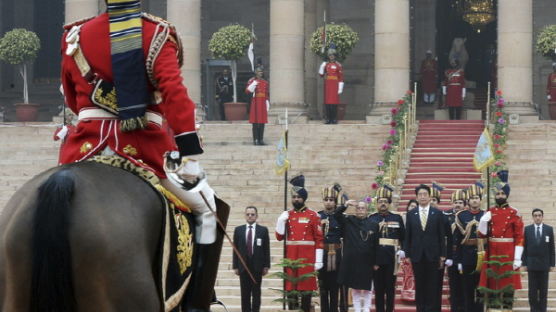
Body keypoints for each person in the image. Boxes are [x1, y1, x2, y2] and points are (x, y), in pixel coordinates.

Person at [59, 0, 218, 244]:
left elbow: (72, 100)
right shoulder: (157, 33)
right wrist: (187, 145)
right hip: (143, 148)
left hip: (83, 148)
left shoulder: (76, 36)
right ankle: (200, 283)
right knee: (207, 209)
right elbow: (173, 93)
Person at [276, 175, 324, 312]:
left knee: (306, 291)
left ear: (304, 198)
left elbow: (319, 238)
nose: (296, 199)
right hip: (291, 257)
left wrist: (318, 259)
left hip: (307, 259)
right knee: (291, 291)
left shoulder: (313, 215)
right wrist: (280, 221)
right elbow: (279, 237)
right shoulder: (287, 215)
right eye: (294, 197)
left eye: (298, 197)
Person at [478, 170, 524, 310]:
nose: (500, 196)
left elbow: (519, 237)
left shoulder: (514, 213)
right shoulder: (490, 212)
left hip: (508, 252)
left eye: (502, 193)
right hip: (492, 251)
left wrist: (517, 258)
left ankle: (507, 308)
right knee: (492, 283)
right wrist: (483, 222)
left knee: (508, 282)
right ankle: (493, 308)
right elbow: (481, 235)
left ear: (507, 195)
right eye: (498, 194)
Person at [404, 184, 446, 312]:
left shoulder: (437, 214)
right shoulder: (411, 214)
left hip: (433, 255)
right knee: (420, 285)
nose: (422, 197)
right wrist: (408, 254)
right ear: (416, 197)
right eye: (420, 195)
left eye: (425, 194)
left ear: (429, 197)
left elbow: (441, 235)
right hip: (417, 255)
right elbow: (408, 236)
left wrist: (442, 255)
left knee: (432, 286)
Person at [336, 199, 379, 312]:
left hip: (367, 261)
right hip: (352, 261)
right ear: (355, 210)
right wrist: (345, 205)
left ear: (367, 210)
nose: (360, 210)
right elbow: (337, 214)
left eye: (362, 208)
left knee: (367, 288)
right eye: (358, 208)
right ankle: (357, 309)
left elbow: (376, 245)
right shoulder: (349, 221)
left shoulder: (373, 224)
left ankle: (366, 309)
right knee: (354, 287)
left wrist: (375, 262)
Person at [369, 185, 405, 312]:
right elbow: (369, 242)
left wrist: (403, 250)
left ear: (389, 203)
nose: (383, 204)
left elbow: (404, 237)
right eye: (380, 201)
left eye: (385, 201)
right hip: (377, 259)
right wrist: (372, 260)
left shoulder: (397, 218)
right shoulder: (371, 218)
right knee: (378, 290)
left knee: (390, 289)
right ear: (377, 203)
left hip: (391, 259)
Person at [454, 183, 485, 312]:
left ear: (480, 200)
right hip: (466, 256)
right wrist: (459, 260)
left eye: (477, 198)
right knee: (467, 289)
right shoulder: (461, 216)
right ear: (468, 200)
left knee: (480, 290)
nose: (474, 200)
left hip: (482, 255)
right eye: (472, 198)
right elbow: (458, 240)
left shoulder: (486, 215)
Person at [233, 206, 270, 312]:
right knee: (245, 294)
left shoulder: (263, 230)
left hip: (257, 267)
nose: (250, 216)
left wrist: (266, 265)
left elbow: (266, 249)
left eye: (252, 214)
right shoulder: (238, 230)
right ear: (245, 215)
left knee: (256, 293)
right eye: (248, 214)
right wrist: (235, 266)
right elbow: (235, 249)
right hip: (243, 266)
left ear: (256, 216)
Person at [318, 184, 348, 312]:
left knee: (335, 289)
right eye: (326, 199)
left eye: (331, 200)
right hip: (322, 256)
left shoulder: (340, 217)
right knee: (323, 289)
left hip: (336, 256)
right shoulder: (317, 216)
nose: (329, 202)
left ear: (335, 202)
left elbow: (345, 235)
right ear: (323, 201)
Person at [523, 208, 555, 312]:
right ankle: (534, 310)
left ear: (542, 216)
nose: (537, 217)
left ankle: (542, 310)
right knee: (532, 292)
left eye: (539, 215)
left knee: (543, 292)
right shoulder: (527, 229)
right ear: (533, 217)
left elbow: (551, 248)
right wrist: (524, 263)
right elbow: (525, 247)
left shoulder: (549, 229)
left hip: (544, 265)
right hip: (531, 265)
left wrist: (552, 264)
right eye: (535, 215)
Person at [444, 189, 468, 312]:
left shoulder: (467, 215)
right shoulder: (446, 216)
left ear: (464, 204)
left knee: (465, 285)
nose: (457, 204)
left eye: (460, 202)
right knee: (453, 285)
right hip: (451, 253)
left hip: (465, 254)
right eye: (455, 202)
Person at [319, 43, 344, 124]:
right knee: (328, 102)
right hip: (328, 85)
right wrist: (322, 67)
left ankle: (334, 118)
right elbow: (321, 75)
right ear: (328, 56)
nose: (331, 56)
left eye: (333, 55)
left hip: (335, 85)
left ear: (335, 56)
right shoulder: (326, 64)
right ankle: (328, 118)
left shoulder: (338, 65)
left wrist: (340, 87)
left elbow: (340, 77)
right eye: (330, 55)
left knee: (334, 102)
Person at [245, 65, 269, 145]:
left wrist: (267, 102)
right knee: (255, 122)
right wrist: (253, 85)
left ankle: (261, 139)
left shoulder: (265, 82)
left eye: (261, 71)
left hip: (262, 103)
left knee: (262, 122)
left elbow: (266, 94)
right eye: (259, 71)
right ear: (255, 72)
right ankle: (255, 139)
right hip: (255, 103)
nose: (260, 73)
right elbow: (247, 91)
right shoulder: (252, 81)